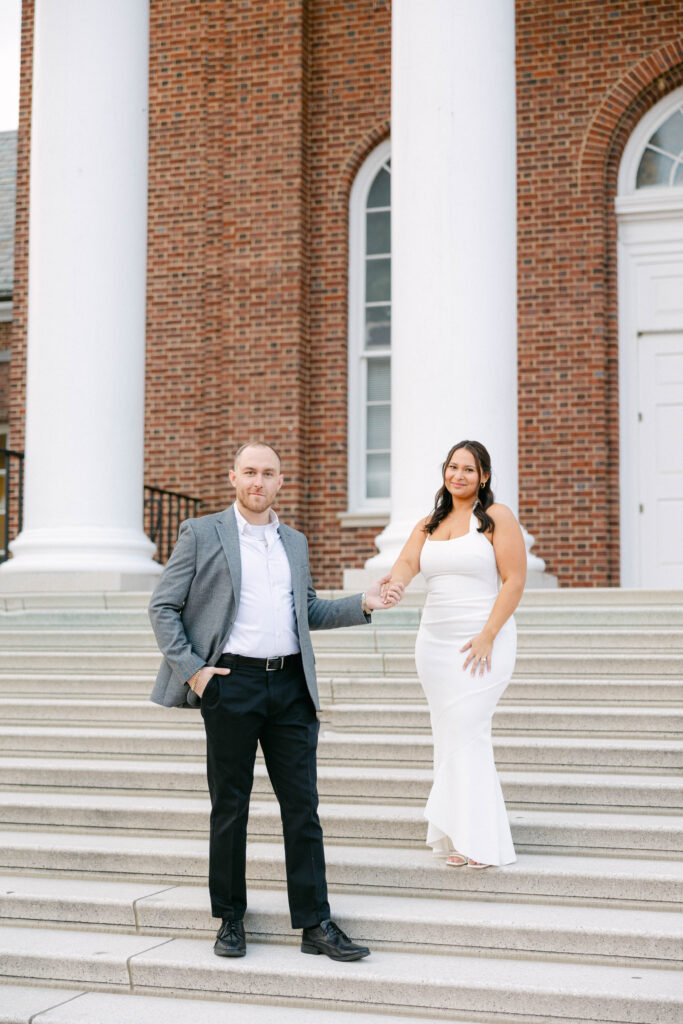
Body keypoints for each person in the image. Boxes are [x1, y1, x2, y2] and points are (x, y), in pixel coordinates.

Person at [148, 441, 403, 960]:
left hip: (290, 688)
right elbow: (163, 606)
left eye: (268, 473)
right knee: (230, 808)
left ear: (281, 481)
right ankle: (230, 920)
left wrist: (364, 603)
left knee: (303, 809)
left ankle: (315, 924)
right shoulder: (202, 533)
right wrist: (196, 673)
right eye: (249, 472)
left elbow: (305, 611)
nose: (258, 482)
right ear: (233, 477)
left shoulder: (295, 542)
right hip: (230, 683)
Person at [382, 440, 526, 868]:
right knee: (449, 739)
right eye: (452, 467)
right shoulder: (430, 522)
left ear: (483, 476)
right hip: (435, 646)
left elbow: (514, 579)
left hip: (483, 639)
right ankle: (457, 835)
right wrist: (396, 584)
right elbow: (407, 563)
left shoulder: (497, 517)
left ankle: (481, 840)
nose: (458, 475)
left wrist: (488, 634)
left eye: (469, 469)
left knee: (469, 731)